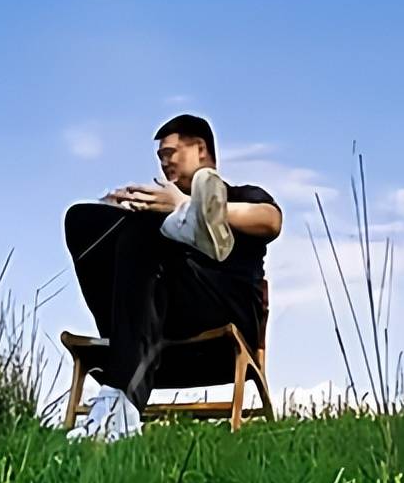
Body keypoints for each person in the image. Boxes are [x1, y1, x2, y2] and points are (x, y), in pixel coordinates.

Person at [63, 114, 281, 441]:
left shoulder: (244, 194)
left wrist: (191, 206)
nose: (164, 163)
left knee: (146, 225)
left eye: (170, 153)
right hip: (152, 327)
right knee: (82, 218)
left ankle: (196, 220)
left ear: (201, 149)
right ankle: (186, 224)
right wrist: (117, 221)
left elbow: (271, 221)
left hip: (222, 316)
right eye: (160, 157)